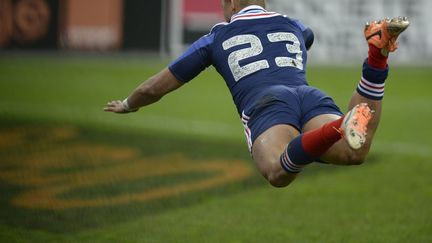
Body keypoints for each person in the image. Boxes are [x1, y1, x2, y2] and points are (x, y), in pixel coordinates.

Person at [104, 0, 409, 187]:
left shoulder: (216, 37)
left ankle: (338, 127)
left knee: (277, 171)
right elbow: (307, 38)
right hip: (308, 94)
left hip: (268, 103)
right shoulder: (294, 26)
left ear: (232, 4)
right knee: (354, 152)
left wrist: (129, 104)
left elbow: (154, 87)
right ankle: (376, 55)